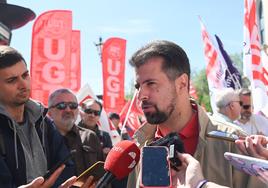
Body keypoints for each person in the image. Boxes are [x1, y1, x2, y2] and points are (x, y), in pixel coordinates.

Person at [126, 40, 265, 187]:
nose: (141, 95)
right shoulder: (138, 148)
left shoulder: (232, 143)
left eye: (151, 83)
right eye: (138, 86)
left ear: (182, 83)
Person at [0, 45, 74, 187]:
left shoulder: (43, 122)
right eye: (12, 80)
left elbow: (66, 166)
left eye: (25, 75)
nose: (23, 84)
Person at [47, 88, 104, 175]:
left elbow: (102, 174)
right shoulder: (41, 139)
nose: (68, 110)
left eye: (73, 105)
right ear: (49, 112)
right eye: (62, 105)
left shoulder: (90, 137)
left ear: (77, 110)